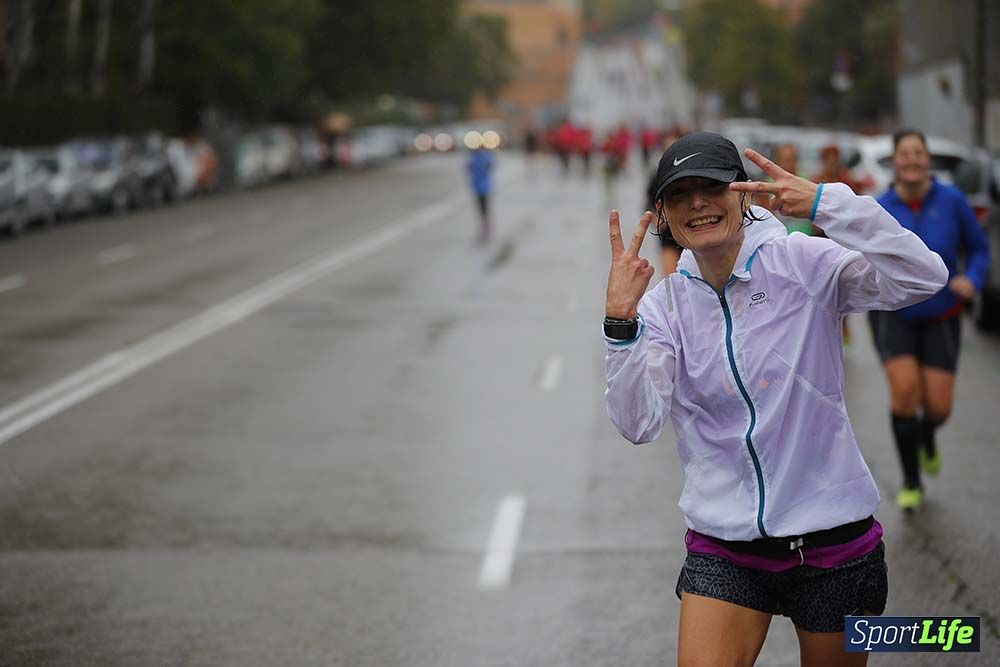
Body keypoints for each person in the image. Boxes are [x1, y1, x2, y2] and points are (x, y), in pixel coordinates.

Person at [603, 132, 947, 665]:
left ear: (742, 196)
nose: (698, 202)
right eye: (680, 194)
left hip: (834, 542)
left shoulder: (801, 262)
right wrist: (620, 327)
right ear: (665, 215)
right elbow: (638, 422)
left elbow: (924, 276)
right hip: (727, 546)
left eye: (712, 186)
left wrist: (826, 203)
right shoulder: (664, 306)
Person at [868, 129, 990, 510]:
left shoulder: (952, 200)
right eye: (904, 154)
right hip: (894, 314)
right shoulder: (880, 206)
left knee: (938, 408)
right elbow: (860, 254)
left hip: (943, 312)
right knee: (905, 393)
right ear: (895, 160)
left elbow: (979, 249)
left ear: (927, 159)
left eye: (918, 153)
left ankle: (925, 436)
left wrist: (973, 279)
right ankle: (911, 480)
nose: (912, 160)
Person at [465, 146, 494, 244]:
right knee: (484, 209)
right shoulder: (485, 156)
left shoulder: (472, 158)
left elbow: (468, 169)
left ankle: (485, 228)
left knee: (481, 209)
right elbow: (491, 166)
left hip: (478, 187)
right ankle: (485, 227)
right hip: (485, 187)